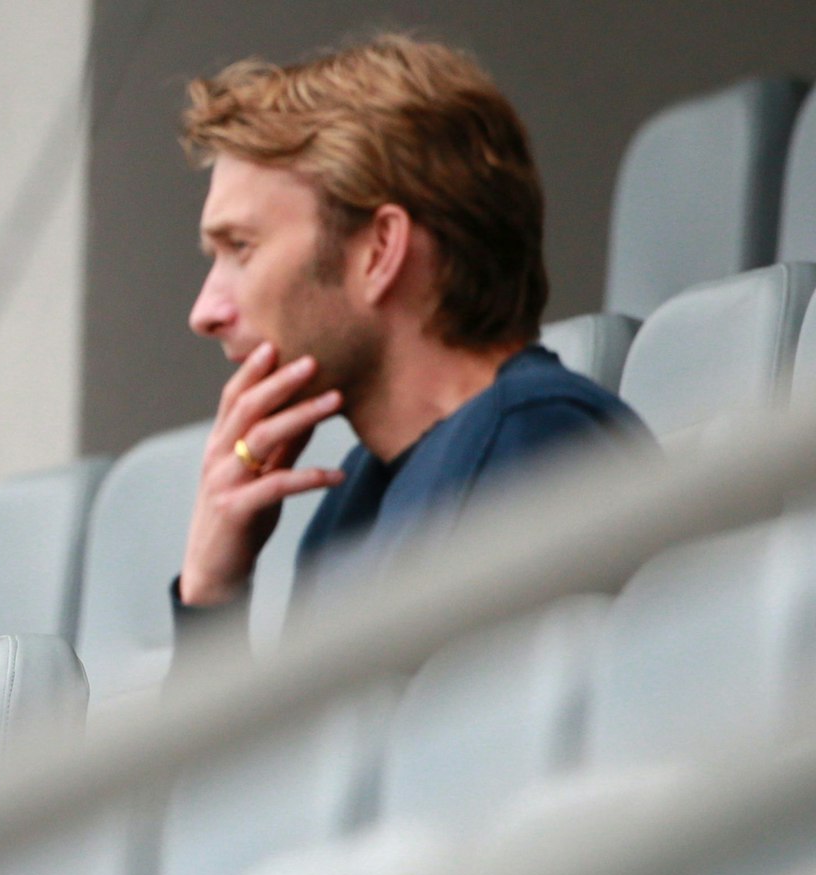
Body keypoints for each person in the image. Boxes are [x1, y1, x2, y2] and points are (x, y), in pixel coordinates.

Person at [171, 33, 651, 650]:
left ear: (380, 251)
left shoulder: (534, 441)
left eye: (241, 247)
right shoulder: (355, 499)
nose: (204, 313)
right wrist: (212, 591)